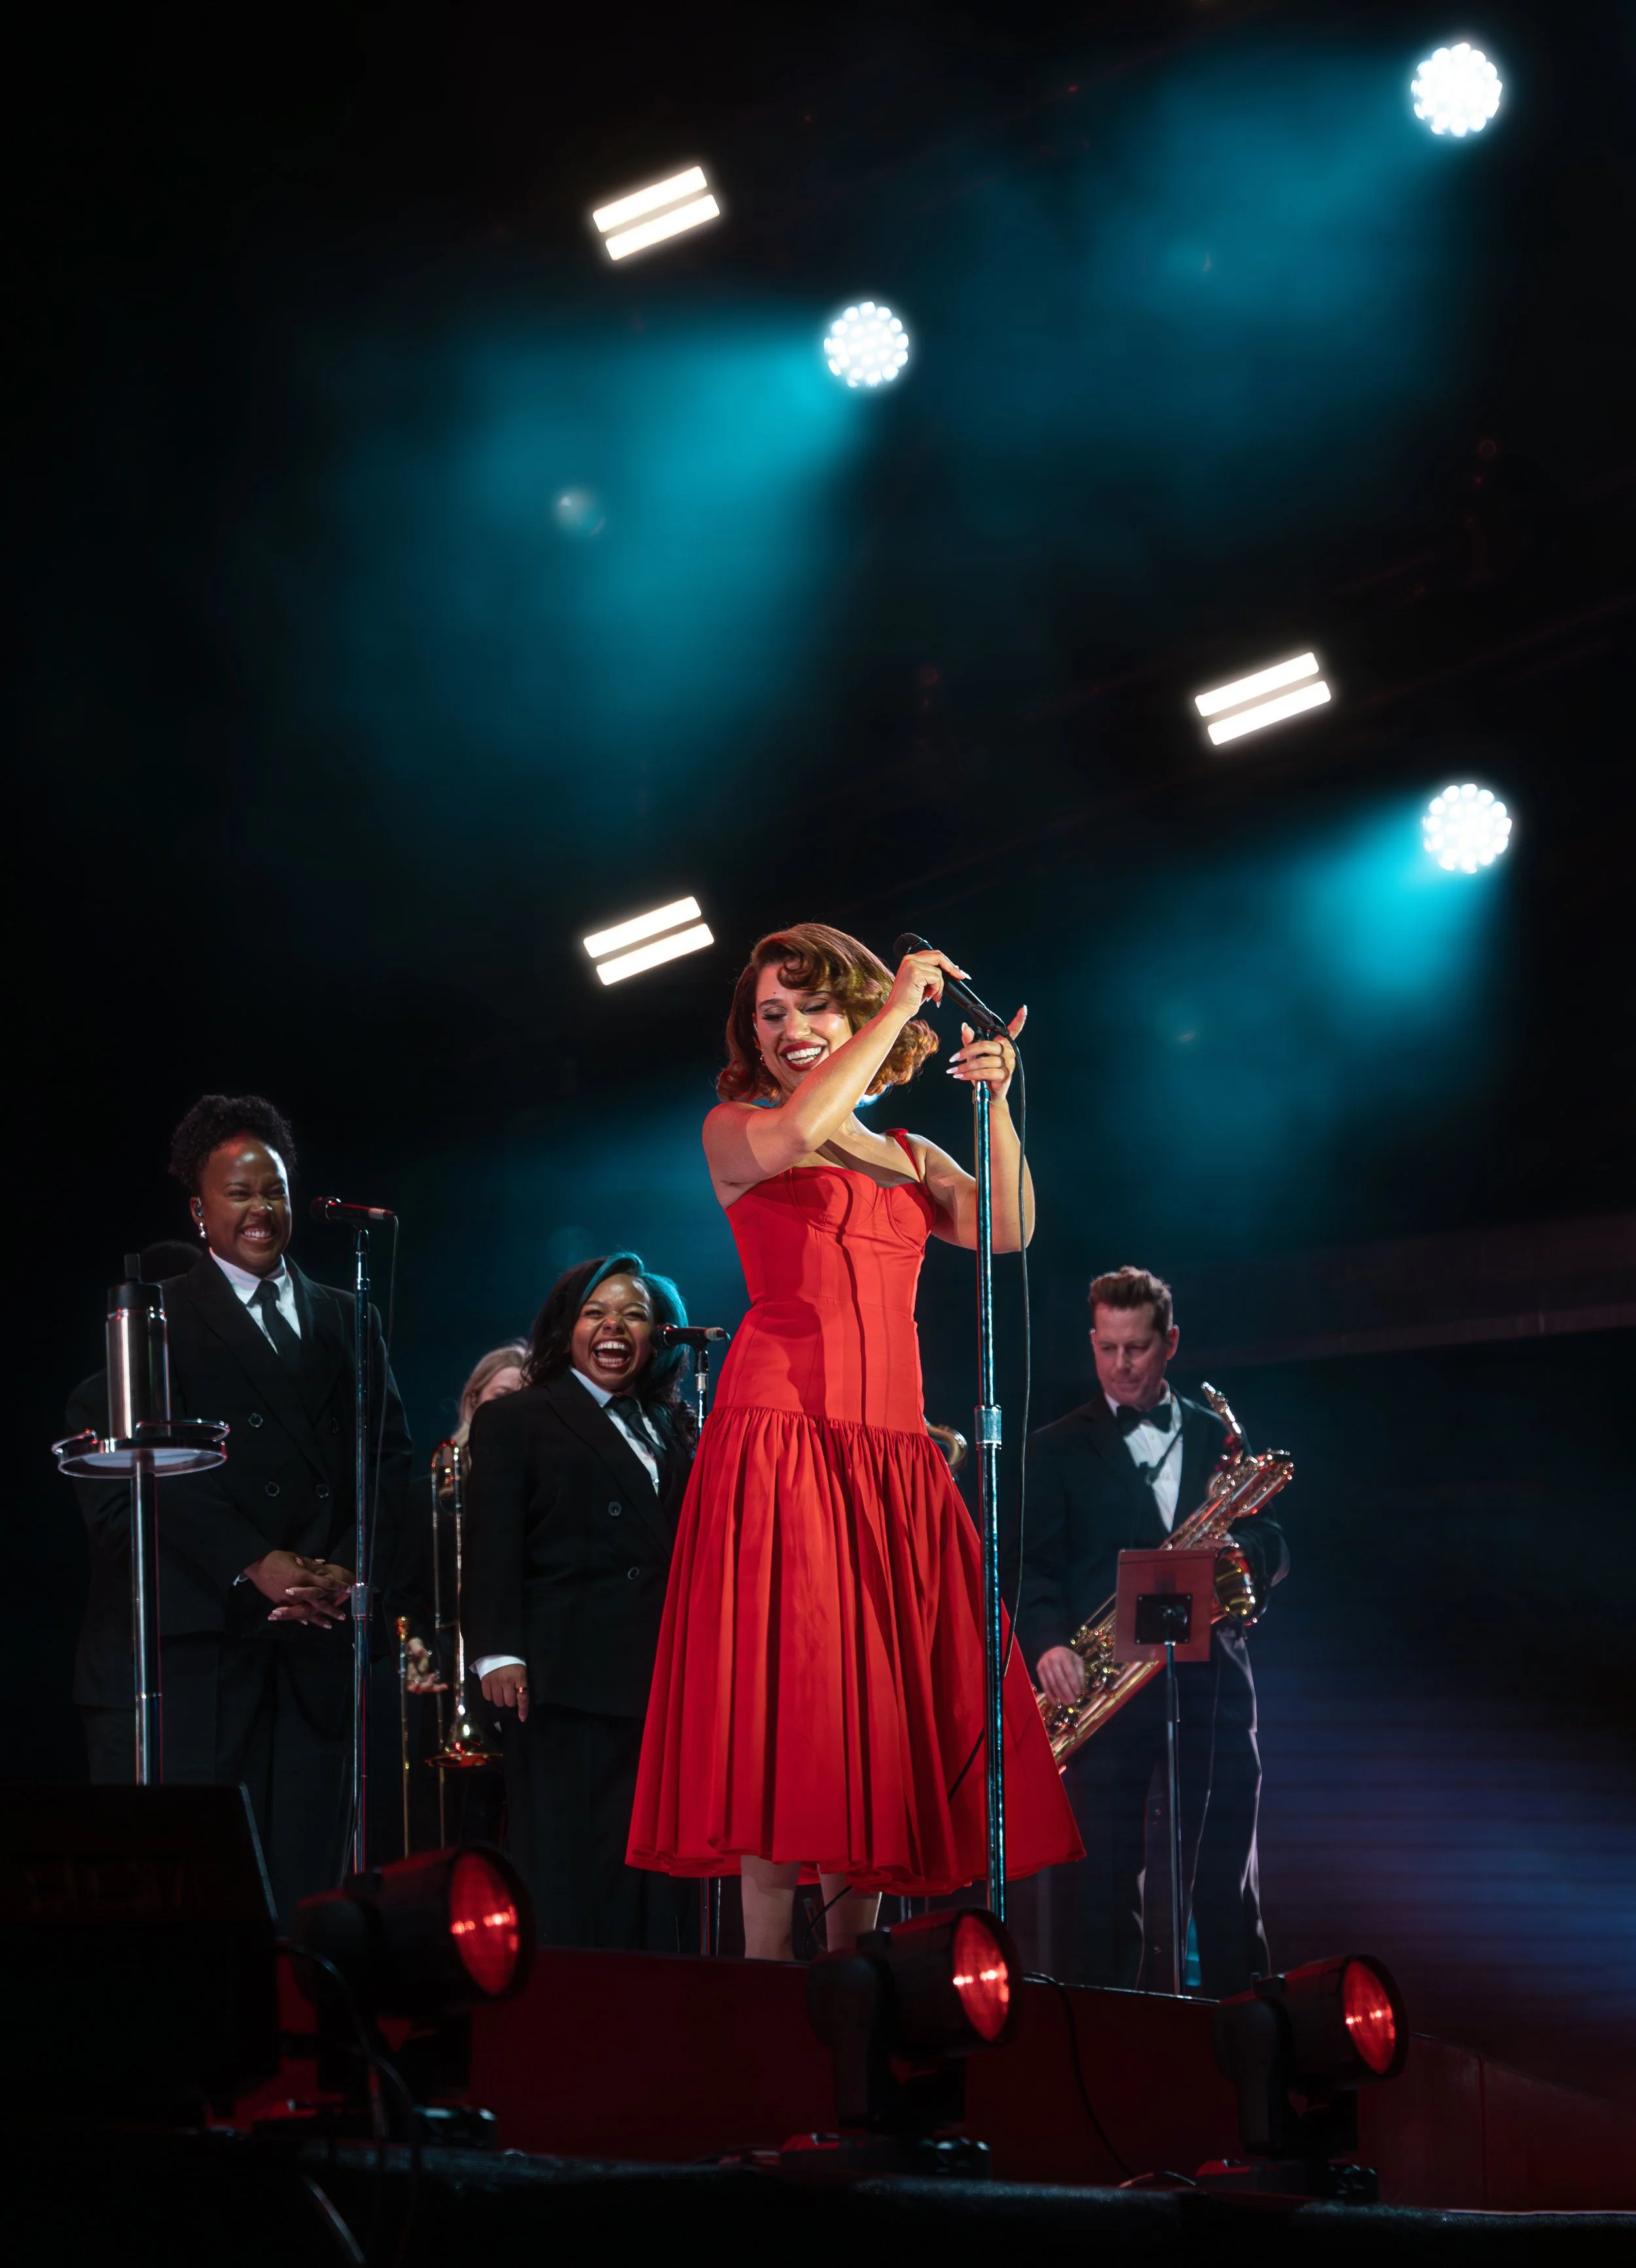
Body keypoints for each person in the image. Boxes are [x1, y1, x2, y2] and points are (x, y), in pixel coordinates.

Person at [627, 924, 1082, 1961]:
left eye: (812, 1005)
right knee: (788, 1693)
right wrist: (898, 1009)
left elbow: (1010, 1227)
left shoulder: (911, 1155)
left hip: (891, 1453)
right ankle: (763, 1973)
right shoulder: (740, 1129)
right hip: (783, 1439)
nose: (789, 1026)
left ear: (854, 1010)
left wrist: (997, 1101)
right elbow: (800, 1130)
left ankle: (852, 1972)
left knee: (874, 1703)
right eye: (771, 1013)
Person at [64, 1093, 416, 1921]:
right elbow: (132, 1465)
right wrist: (253, 1561)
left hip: (316, 1641)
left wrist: (345, 1570)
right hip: (208, 1652)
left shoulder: (348, 1315)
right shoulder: (157, 1314)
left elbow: (388, 1459)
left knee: (309, 1890)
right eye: (239, 1193)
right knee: (205, 1891)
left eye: (275, 1190)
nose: (261, 1209)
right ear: (200, 1211)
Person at [1017, 1266, 1289, 1996]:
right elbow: (1033, 1571)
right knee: (1106, 1878)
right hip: (1106, 1686)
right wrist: (1048, 1645)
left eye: (1137, 1348)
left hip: (1213, 1678)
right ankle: (1113, 2026)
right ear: (1092, 1342)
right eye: (1107, 1348)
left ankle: (1241, 2016)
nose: (1122, 1365)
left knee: (1226, 1863)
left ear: (1170, 1342)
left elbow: (1272, 1538)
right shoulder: (1053, 1447)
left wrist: (1245, 1560)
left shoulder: (1215, 1434)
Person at [463, 1255, 698, 1950]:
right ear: (567, 1328)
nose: (613, 1327)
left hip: (657, 1676)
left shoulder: (672, 1425)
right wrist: (497, 1653)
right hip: (562, 1678)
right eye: (596, 1312)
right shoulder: (518, 1418)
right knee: (571, 1867)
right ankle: (571, 2003)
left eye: (633, 1314)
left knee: (648, 1873)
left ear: (659, 1335)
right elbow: (491, 1542)